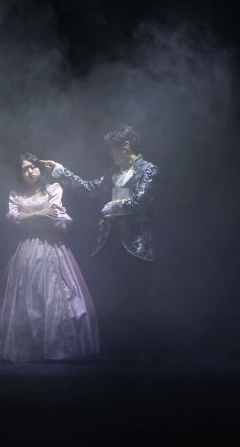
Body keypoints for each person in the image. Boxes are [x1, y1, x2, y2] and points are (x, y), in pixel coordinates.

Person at [41, 125, 159, 363]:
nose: (110, 154)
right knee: (114, 296)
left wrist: (116, 206)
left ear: (125, 146)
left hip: (135, 245)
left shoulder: (148, 169)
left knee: (137, 296)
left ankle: (142, 351)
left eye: (112, 149)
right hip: (111, 244)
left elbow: (141, 200)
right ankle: (119, 348)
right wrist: (61, 172)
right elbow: (88, 188)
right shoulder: (113, 173)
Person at [0, 153, 100, 363]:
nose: (29, 171)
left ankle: (57, 346)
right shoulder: (16, 193)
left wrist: (27, 217)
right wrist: (38, 214)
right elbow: (12, 218)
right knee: (24, 299)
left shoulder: (53, 188)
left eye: (32, 167)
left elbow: (55, 214)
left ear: (39, 168)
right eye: (24, 169)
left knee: (55, 296)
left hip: (51, 246)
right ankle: (30, 349)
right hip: (25, 247)